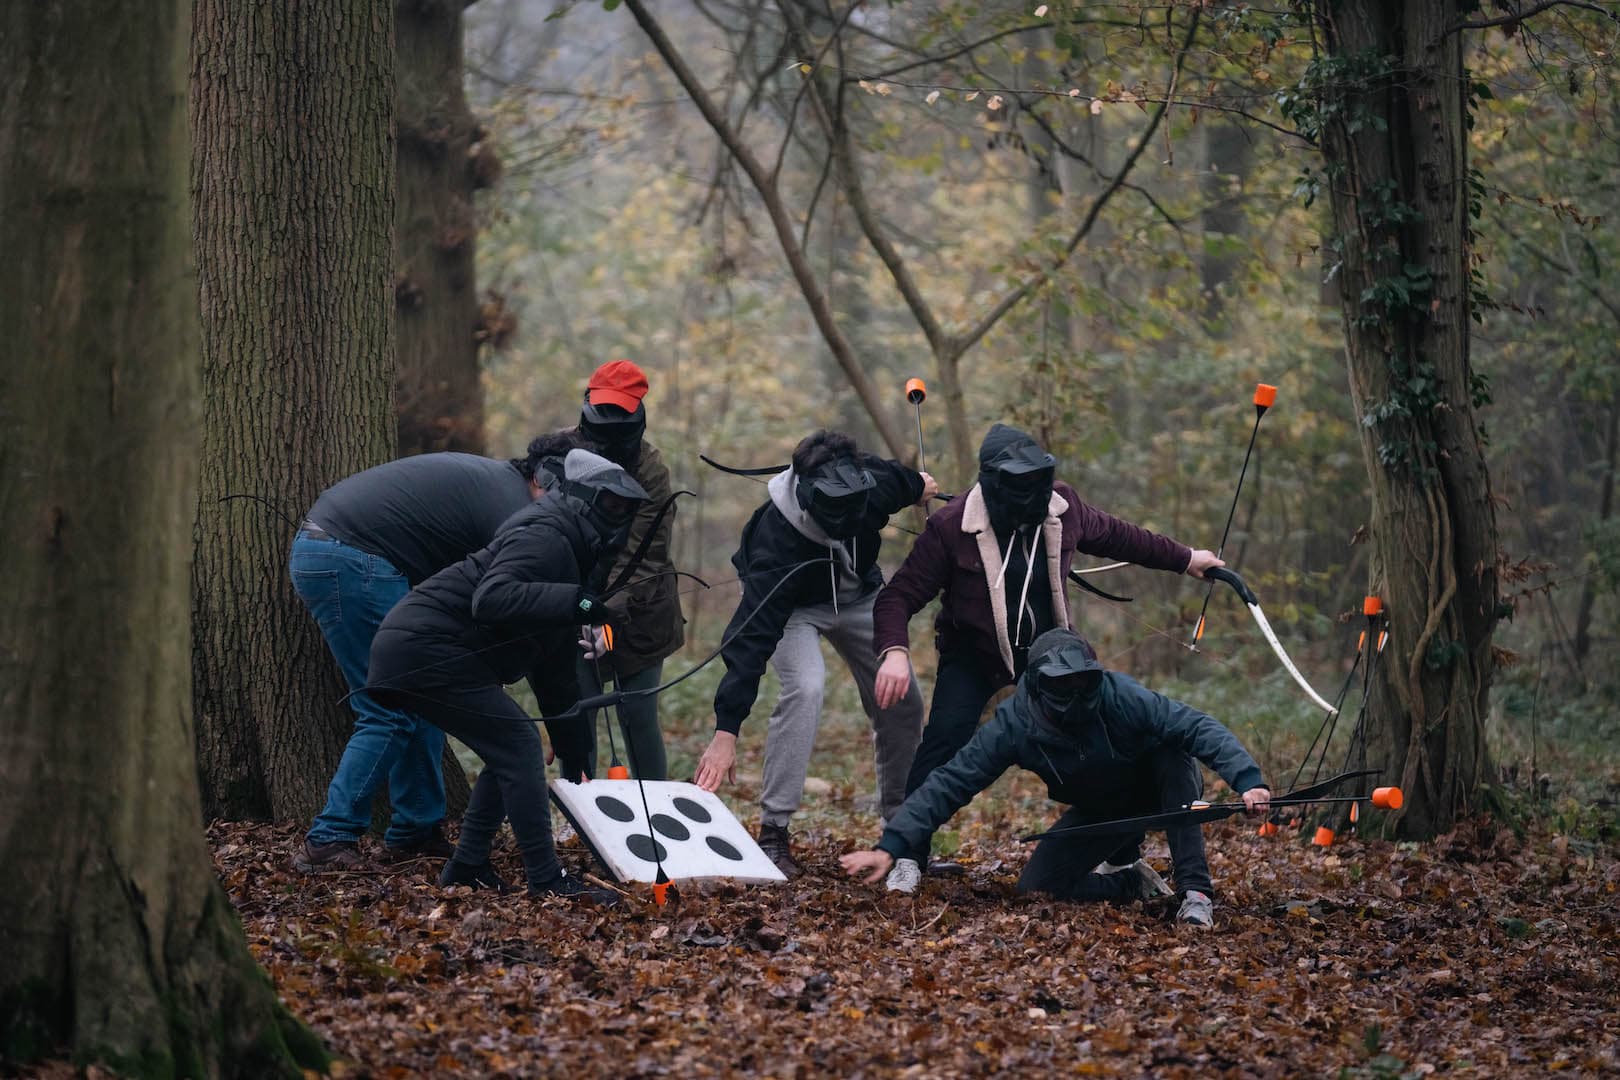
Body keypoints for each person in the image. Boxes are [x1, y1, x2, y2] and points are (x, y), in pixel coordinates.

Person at [869, 423, 1223, 892]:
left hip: (1054, 656)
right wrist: (894, 651)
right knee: (944, 742)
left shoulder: (1065, 508)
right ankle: (909, 857)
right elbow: (898, 596)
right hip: (973, 654)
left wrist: (1186, 558)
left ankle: (1121, 857)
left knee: (1098, 740)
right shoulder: (950, 526)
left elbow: (1121, 536)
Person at [290, 432, 582, 872]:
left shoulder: (500, 486)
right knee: (391, 706)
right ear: (544, 479)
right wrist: (510, 720)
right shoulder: (517, 511)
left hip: (344, 551)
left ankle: (414, 829)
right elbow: (508, 609)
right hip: (350, 556)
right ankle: (329, 838)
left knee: (421, 692)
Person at [841, 628, 1270, 927]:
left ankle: (1195, 894)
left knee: (1173, 758)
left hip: (1160, 789)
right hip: (1102, 811)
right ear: (1039, 686)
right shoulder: (1013, 726)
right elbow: (950, 782)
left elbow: (1195, 726)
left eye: (1085, 685)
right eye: (1065, 689)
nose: (1078, 698)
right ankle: (1131, 883)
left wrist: (1247, 780)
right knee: (1035, 889)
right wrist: (893, 847)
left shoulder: (1119, 695)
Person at [366, 449, 646, 901]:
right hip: (421, 649)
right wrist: (577, 601)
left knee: (507, 749)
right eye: (610, 506)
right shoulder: (546, 535)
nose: (618, 520)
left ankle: (468, 865)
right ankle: (546, 880)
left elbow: (556, 676)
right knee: (516, 740)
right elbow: (492, 598)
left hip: (429, 651)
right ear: (579, 498)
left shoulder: (567, 555)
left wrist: (576, 758)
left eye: (626, 510)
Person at [694, 430, 938, 877]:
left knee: (904, 699)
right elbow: (750, 642)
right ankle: (774, 831)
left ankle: (903, 835)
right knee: (806, 687)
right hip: (795, 610)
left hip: (860, 596)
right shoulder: (775, 542)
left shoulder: (874, 481)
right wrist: (726, 731)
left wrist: (923, 486)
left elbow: (911, 483)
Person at [567, 360, 684, 780]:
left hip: (642, 611)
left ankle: (657, 811)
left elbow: (645, 554)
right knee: (577, 713)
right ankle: (582, 814)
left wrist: (605, 613)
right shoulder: (560, 453)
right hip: (570, 608)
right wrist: (574, 605)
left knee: (637, 714)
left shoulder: (651, 472)